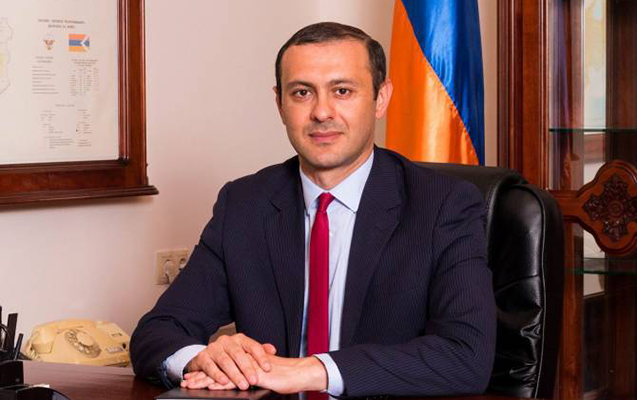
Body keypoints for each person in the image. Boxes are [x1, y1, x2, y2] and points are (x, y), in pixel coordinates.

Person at [130, 22, 496, 398]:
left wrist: (312, 371)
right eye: (302, 92)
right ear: (280, 104)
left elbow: (466, 356)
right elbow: (156, 332)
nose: (321, 112)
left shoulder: (443, 206)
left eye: (342, 91)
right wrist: (202, 359)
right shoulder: (244, 205)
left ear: (381, 98)